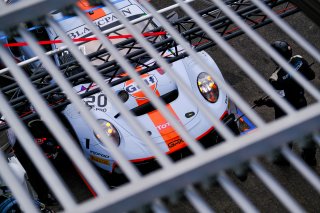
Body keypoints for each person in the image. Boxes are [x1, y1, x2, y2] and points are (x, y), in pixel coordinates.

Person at [254, 40, 317, 166]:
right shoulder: (299, 60)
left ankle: (283, 159)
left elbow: (278, 101)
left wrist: (264, 103)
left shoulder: (275, 78)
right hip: (300, 103)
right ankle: (310, 159)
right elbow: (311, 76)